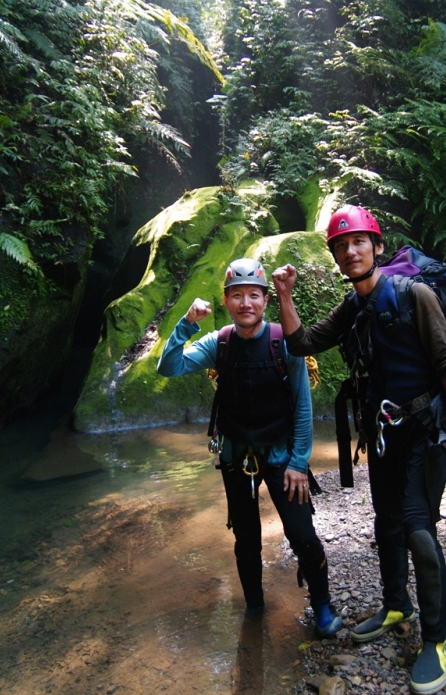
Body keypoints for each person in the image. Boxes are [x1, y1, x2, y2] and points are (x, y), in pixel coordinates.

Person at [272, 206, 446, 695]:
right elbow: (301, 343)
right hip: (381, 435)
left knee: (418, 531)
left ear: (377, 246)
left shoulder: (414, 294)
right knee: (386, 522)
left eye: (359, 242)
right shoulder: (353, 306)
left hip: (422, 433)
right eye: (342, 246)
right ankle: (395, 604)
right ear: (338, 257)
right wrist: (283, 294)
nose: (351, 251)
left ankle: (436, 638)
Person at [157, 257, 342, 637]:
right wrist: (186, 323)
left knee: (302, 534)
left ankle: (322, 605)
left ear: (265, 301)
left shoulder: (284, 343)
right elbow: (168, 367)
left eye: (254, 296)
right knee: (246, 539)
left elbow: (303, 407)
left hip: (282, 456)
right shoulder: (219, 343)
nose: (246, 304)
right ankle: (254, 609)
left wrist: (298, 462)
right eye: (237, 296)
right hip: (236, 456)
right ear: (226, 301)